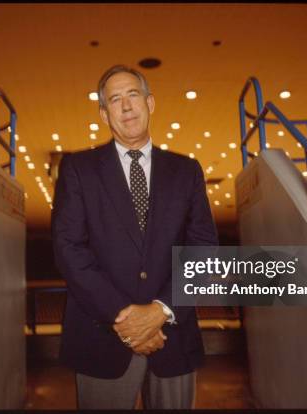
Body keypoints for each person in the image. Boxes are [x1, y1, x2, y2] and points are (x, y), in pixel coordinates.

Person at [51, 64, 218, 409]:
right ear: (103, 113)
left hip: (172, 336)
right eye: (114, 100)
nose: (126, 106)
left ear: (150, 103)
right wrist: (127, 320)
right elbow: (69, 248)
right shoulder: (78, 169)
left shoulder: (186, 171)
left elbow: (203, 249)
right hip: (102, 339)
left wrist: (160, 310)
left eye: (133, 95)